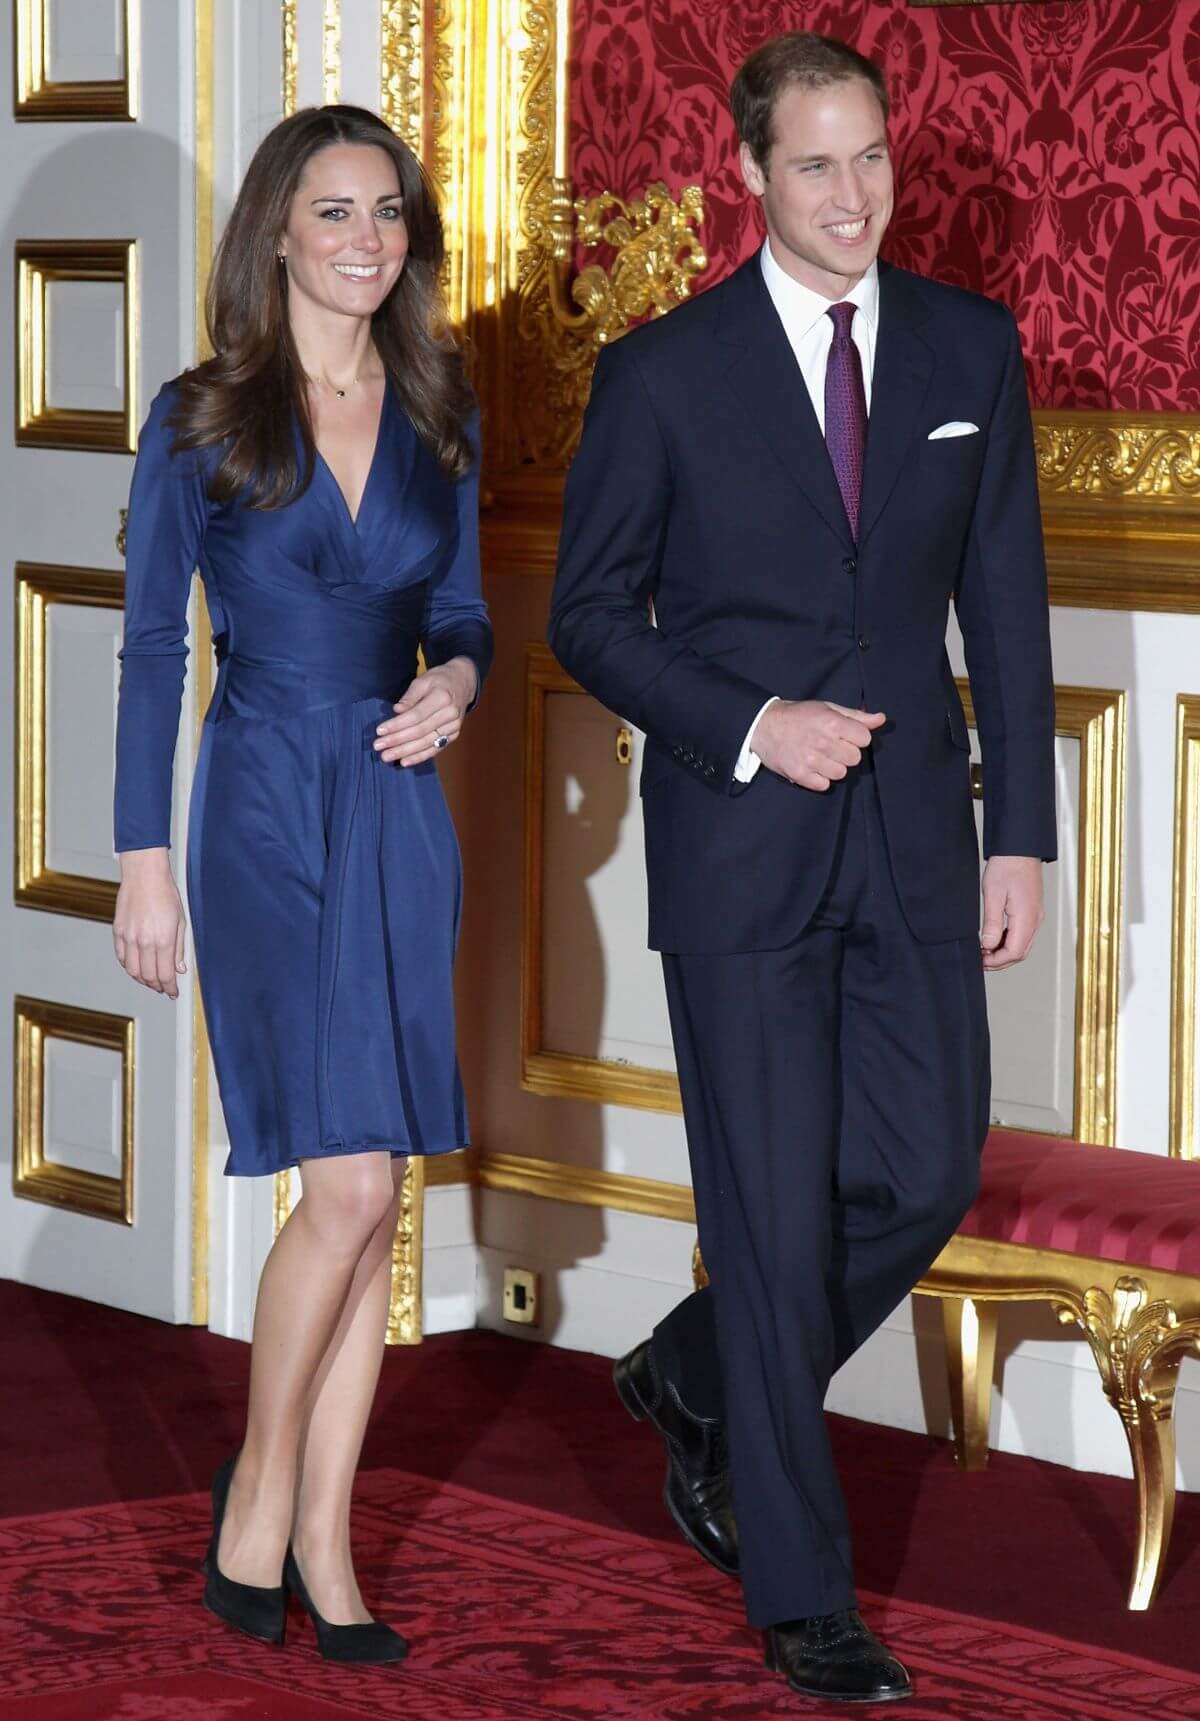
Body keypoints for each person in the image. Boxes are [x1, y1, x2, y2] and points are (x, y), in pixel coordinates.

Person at [550, 31, 1055, 1708]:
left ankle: (692, 1372)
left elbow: (1007, 614)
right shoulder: (665, 375)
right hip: (743, 847)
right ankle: (802, 1592)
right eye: (817, 165)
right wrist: (756, 719)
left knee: (922, 1170)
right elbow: (590, 620)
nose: (854, 197)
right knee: (769, 1222)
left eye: (873, 159)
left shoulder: (971, 349)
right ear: (750, 176)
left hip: (917, 841)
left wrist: (1024, 833)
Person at [112, 104, 491, 1666]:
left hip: (401, 808)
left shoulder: (437, 402)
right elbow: (145, 648)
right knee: (337, 1183)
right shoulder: (200, 419)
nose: (366, 239)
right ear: (278, 228)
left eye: (388, 212)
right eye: (335, 212)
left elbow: (463, 608)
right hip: (263, 798)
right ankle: (259, 1489)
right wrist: (143, 856)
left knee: (379, 1187)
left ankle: (323, 1538)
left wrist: (459, 688)